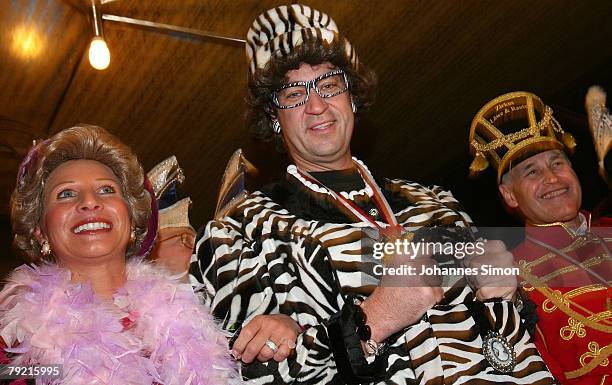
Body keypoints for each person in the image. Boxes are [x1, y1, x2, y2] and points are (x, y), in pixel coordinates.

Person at [190, 5, 553, 384]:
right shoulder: (239, 232)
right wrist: (373, 320)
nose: (317, 106)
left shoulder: (435, 202)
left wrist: (509, 294)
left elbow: (518, 333)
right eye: (294, 94)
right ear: (272, 118)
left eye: (329, 84)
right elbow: (247, 375)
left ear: (352, 98)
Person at [1, 125, 239, 384]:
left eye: (106, 190)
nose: (90, 202)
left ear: (132, 220)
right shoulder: (16, 344)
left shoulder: (199, 319)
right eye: (66, 194)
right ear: (39, 231)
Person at [468, 91, 611, 385]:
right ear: (509, 195)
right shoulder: (509, 278)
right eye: (531, 172)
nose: (552, 178)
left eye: (558, 163)